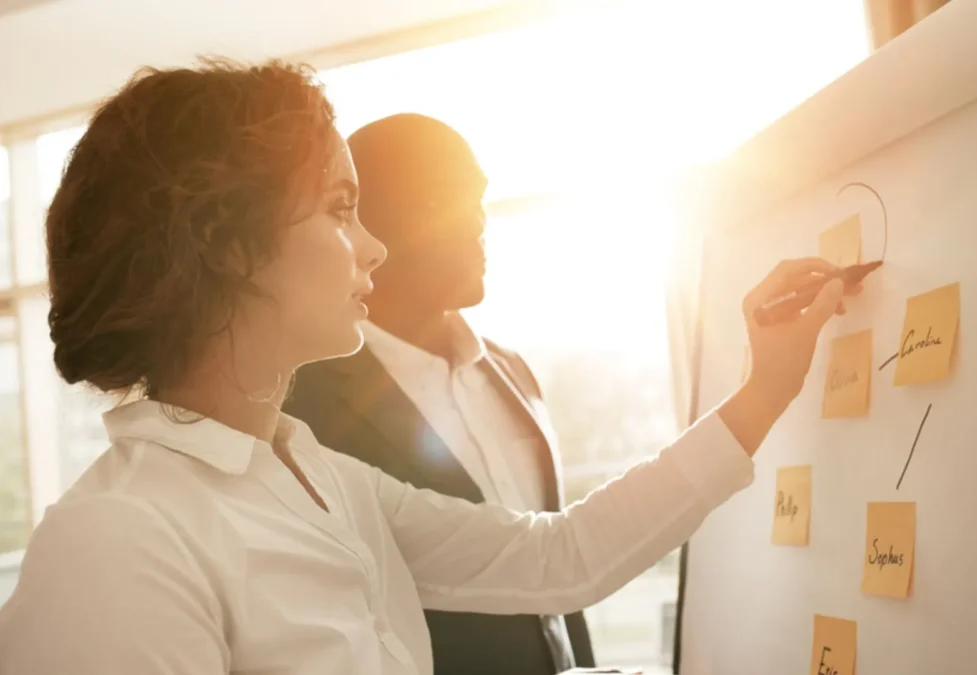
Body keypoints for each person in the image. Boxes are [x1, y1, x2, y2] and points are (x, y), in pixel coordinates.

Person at [0, 58, 853, 675]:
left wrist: (765, 388)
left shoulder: (329, 482)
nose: (373, 247)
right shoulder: (115, 543)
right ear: (230, 247)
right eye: (341, 209)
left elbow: (561, 557)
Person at [281, 114, 593, 675]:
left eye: (479, 199)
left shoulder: (512, 371)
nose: (477, 222)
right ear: (370, 223)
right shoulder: (303, 406)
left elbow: (556, 564)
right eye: (446, 199)